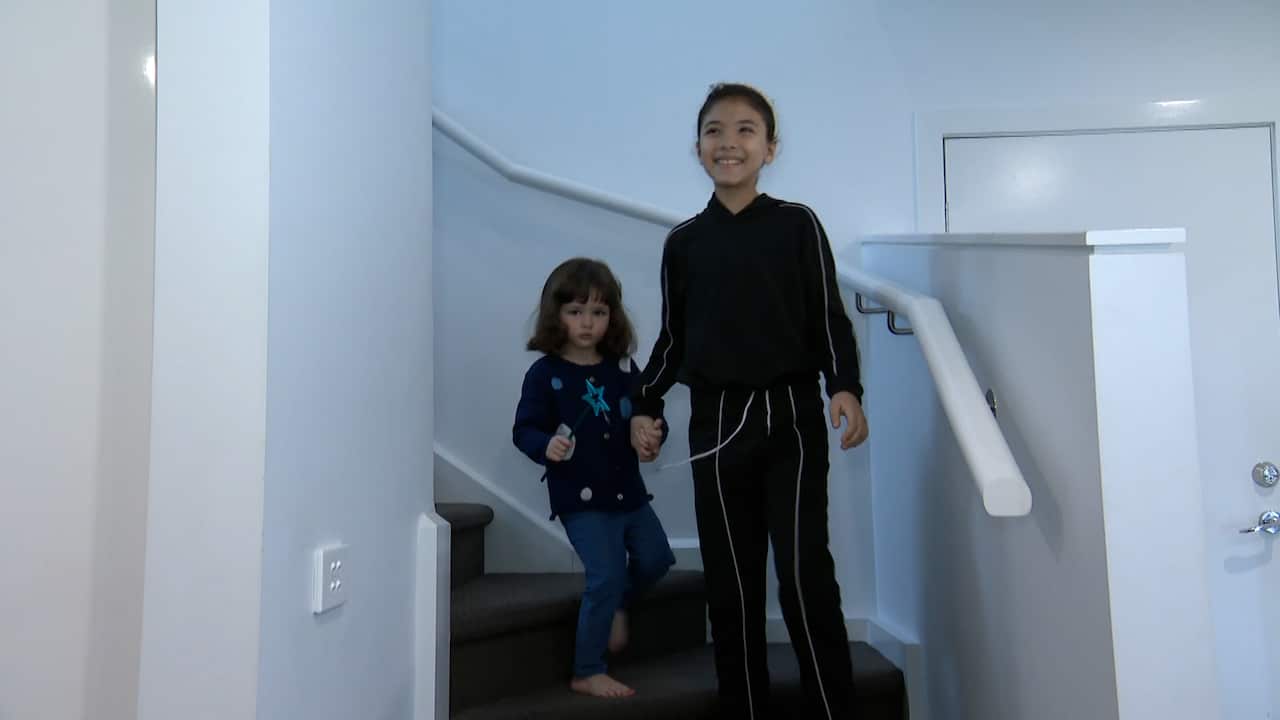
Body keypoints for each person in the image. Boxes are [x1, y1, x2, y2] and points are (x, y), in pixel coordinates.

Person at [629, 83, 869, 719]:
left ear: (770, 148)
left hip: (792, 420)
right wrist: (645, 405)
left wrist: (844, 385)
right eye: (714, 130)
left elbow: (828, 317)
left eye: (744, 130)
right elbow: (673, 340)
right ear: (698, 148)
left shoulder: (797, 224)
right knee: (731, 584)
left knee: (804, 574)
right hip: (716, 425)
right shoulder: (683, 242)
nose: (728, 142)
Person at [513, 257, 676, 699]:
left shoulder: (622, 368)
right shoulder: (545, 375)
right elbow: (524, 429)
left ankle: (617, 603)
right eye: (575, 311)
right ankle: (587, 669)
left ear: (613, 316)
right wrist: (545, 445)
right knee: (604, 574)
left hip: (629, 493)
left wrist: (651, 435)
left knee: (657, 559)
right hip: (580, 499)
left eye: (598, 312)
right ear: (556, 315)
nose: (587, 323)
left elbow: (646, 413)